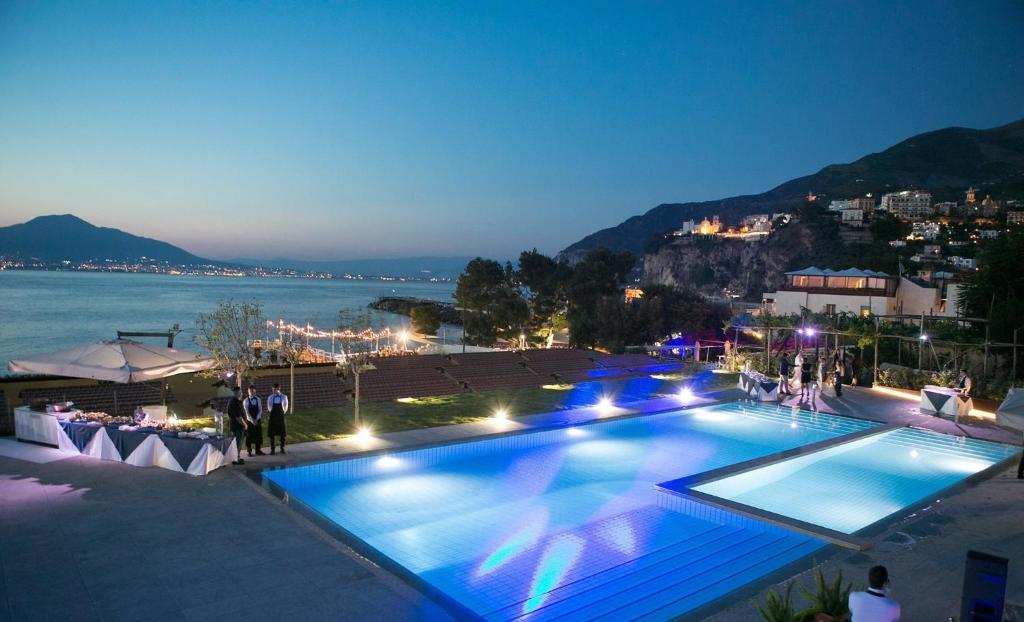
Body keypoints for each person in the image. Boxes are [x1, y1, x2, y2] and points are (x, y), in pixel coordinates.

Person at [266, 383, 289, 455]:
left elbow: (285, 407)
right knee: (272, 434)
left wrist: (281, 413)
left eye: (274, 389)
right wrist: (273, 413)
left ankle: (282, 448)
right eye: (272, 389)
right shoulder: (270, 397)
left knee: (282, 433)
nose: (273, 391)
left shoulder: (284, 397)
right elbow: (269, 407)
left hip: (280, 416)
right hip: (273, 416)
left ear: (278, 389)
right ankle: (272, 449)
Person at [226, 386, 247, 466]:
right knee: (238, 442)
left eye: (241, 392)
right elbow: (238, 417)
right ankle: (236, 459)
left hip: (237, 426)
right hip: (237, 426)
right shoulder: (234, 402)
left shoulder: (237, 401)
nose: (241, 393)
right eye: (240, 392)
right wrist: (245, 425)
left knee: (237, 442)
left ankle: (236, 457)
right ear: (236, 393)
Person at [244, 385, 265, 456]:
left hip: (257, 419)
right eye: (250, 391)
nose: (252, 392)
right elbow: (246, 412)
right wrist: (253, 420)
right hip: (249, 421)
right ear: (248, 392)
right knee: (249, 435)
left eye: (253, 391)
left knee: (258, 435)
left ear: (255, 391)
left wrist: (257, 418)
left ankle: (258, 450)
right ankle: (249, 451)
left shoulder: (258, 399)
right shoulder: (246, 400)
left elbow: (260, 410)